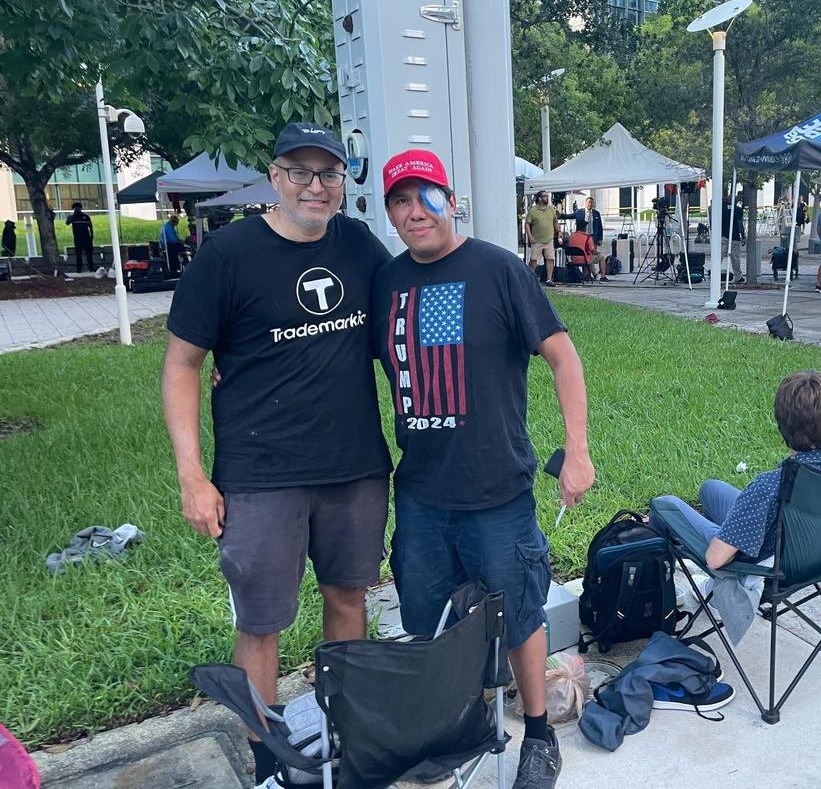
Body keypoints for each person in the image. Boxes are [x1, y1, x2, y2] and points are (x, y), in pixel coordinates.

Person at [161, 123, 393, 785]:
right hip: (261, 475)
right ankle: (267, 762)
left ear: (343, 181)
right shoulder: (228, 254)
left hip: (354, 467)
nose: (315, 186)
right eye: (300, 171)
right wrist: (191, 474)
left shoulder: (359, 244)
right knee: (262, 623)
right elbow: (182, 364)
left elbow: (394, 323)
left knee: (349, 599)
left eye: (329, 174)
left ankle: (345, 738)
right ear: (274, 175)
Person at [373, 149, 594, 789]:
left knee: (521, 612)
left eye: (426, 197)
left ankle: (539, 734)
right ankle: (456, 724)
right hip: (419, 492)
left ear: (451, 199)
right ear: (390, 212)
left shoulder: (498, 270)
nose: (415, 213)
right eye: (400, 202)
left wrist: (576, 451)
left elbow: (563, 357)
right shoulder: (388, 283)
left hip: (498, 490)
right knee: (428, 619)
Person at [648, 371, 821, 569]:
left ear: (782, 425)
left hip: (764, 566)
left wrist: (725, 542)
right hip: (811, 551)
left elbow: (715, 559)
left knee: (664, 504)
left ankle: (659, 591)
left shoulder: (771, 485)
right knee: (711, 489)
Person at [526, 190, 559, 287]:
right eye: (545, 196)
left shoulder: (551, 209)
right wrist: (530, 236)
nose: (547, 198)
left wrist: (559, 231)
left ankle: (549, 279)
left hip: (549, 239)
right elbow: (527, 224)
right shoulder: (533, 210)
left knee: (550, 259)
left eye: (547, 196)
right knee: (534, 260)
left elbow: (555, 221)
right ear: (539, 198)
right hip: (537, 240)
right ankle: (529, 277)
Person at [567, 216, 607, 281]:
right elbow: (593, 251)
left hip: (573, 259)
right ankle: (603, 276)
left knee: (587, 256)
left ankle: (588, 275)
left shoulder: (571, 236)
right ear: (584, 228)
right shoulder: (587, 238)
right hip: (585, 259)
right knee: (600, 256)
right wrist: (598, 252)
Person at [721, 195, 745, 284]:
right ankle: (738, 276)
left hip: (723, 236)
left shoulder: (721, 209)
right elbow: (739, 224)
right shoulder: (738, 210)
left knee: (719, 256)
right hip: (735, 237)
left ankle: (715, 273)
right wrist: (743, 236)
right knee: (735, 258)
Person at [66, 202, 95, 273]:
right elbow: (67, 222)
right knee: (78, 254)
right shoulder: (72, 217)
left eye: (79, 208)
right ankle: (79, 268)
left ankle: (91, 267)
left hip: (87, 237)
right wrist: (73, 216)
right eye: (76, 208)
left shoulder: (85, 217)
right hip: (78, 238)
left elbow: (90, 227)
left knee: (89, 254)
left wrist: (92, 236)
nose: (77, 209)